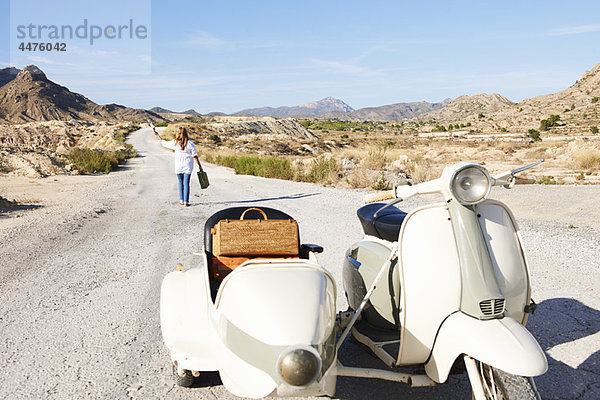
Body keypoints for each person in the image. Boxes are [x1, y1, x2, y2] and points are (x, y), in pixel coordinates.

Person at [153, 126, 203, 207]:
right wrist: (200, 166)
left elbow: (163, 142)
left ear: (178, 134)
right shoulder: (190, 143)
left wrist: (157, 135)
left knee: (180, 183)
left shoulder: (174, 142)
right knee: (186, 183)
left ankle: (181, 200)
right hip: (188, 166)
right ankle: (186, 202)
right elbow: (195, 156)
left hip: (178, 166)